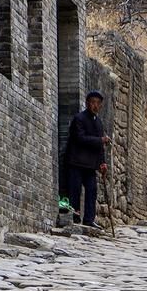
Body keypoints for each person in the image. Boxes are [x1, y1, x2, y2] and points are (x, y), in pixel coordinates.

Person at [65, 91, 110, 229]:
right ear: (87, 103)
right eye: (92, 102)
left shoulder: (99, 123)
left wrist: (102, 162)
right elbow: (80, 138)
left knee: (92, 190)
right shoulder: (79, 119)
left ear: (101, 105)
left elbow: (100, 147)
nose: (95, 105)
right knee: (75, 190)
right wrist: (100, 140)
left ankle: (89, 219)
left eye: (98, 103)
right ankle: (74, 216)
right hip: (76, 161)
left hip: (91, 165)